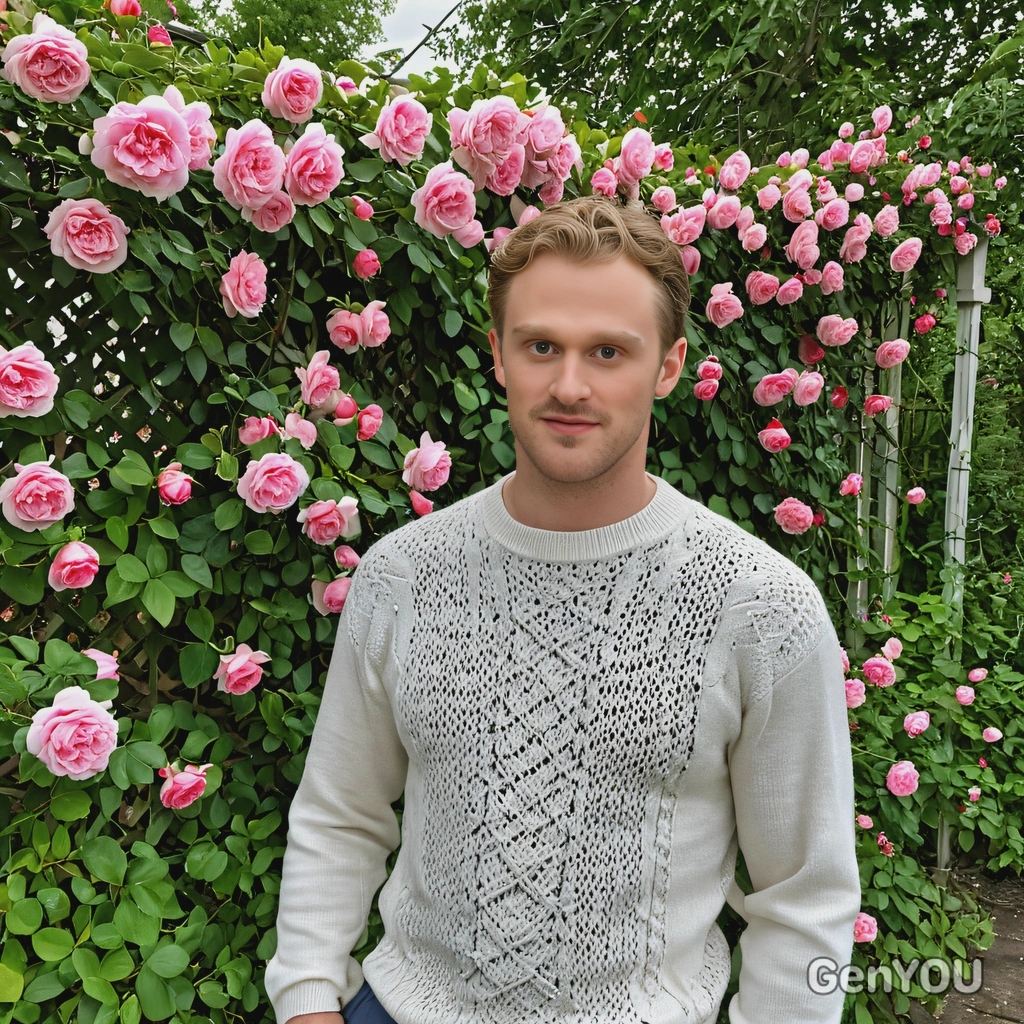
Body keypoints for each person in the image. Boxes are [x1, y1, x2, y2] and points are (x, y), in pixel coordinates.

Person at [265, 194, 861, 1024]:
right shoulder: (402, 576)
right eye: (542, 345)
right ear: (500, 356)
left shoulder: (759, 607)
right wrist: (305, 999)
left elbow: (808, 897)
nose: (570, 384)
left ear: (668, 365)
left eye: (609, 351)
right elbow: (339, 811)